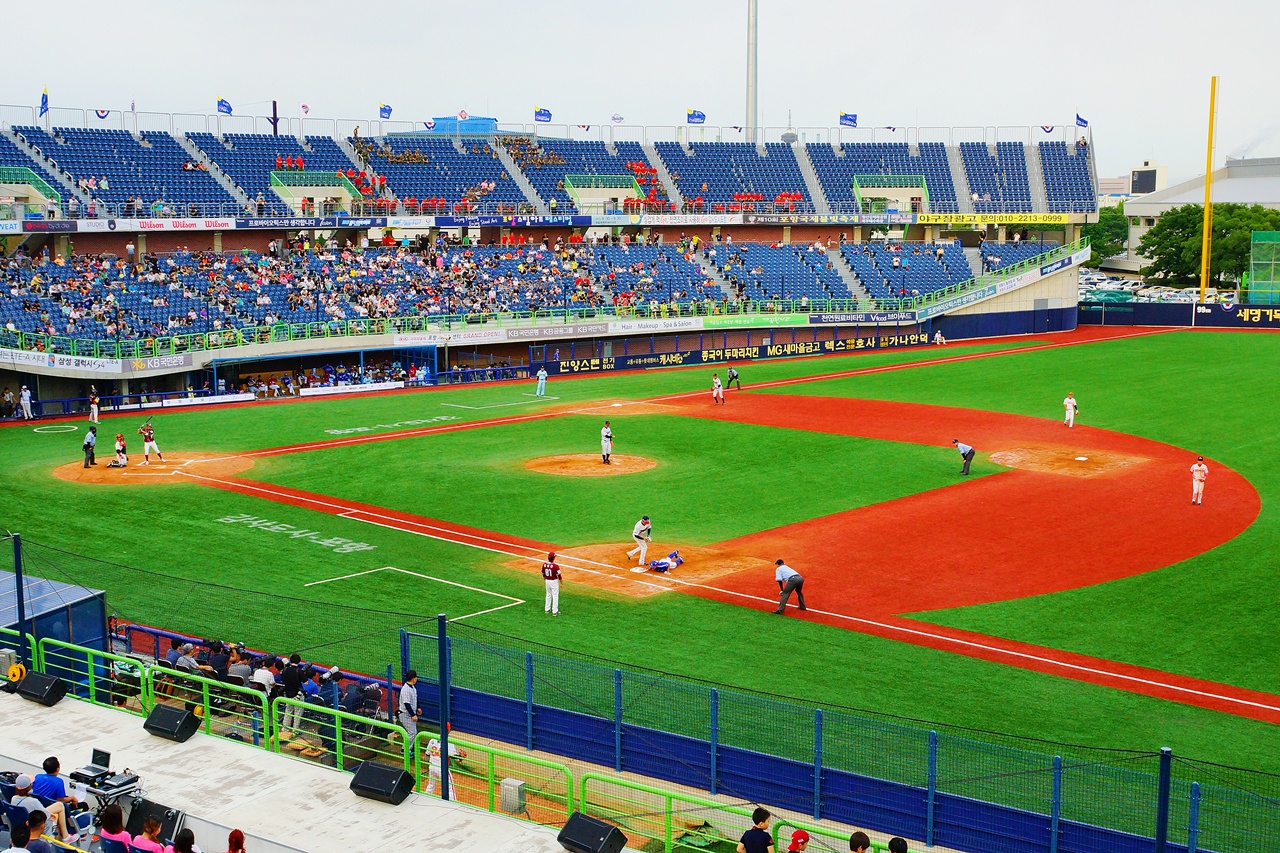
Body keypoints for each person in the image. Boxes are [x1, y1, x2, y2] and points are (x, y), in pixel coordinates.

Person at [10, 775, 75, 843]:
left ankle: (64, 838)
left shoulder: (13, 799)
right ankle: (65, 837)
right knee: (59, 808)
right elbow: (45, 815)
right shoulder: (33, 801)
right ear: (29, 787)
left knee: (57, 809)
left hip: (27, 821)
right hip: (35, 824)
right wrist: (51, 815)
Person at [425, 725, 467, 795]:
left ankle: (426, 797)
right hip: (442, 769)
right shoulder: (449, 742)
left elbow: (427, 754)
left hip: (431, 766)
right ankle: (453, 801)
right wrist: (460, 756)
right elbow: (453, 756)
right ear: (449, 730)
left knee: (431, 785)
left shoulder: (433, 739)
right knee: (450, 788)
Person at [398, 670, 421, 750]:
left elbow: (415, 698)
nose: (416, 679)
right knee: (412, 732)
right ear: (413, 679)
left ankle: (409, 749)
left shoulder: (412, 687)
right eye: (415, 677)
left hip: (409, 714)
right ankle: (405, 749)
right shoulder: (405, 689)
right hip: (405, 714)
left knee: (413, 732)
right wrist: (413, 715)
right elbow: (407, 704)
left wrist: (418, 707)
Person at [542, 551, 561, 616]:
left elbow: (543, 573)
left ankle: (547, 609)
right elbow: (559, 575)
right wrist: (561, 583)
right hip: (554, 582)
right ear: (553, 558)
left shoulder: (544, 564)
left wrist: (545, 579)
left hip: (547, 581)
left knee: (548, 594)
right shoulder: (556, 566)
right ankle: (555, 611)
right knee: (555, 595)